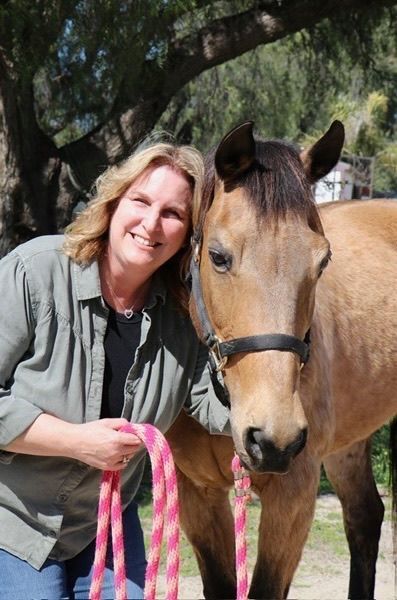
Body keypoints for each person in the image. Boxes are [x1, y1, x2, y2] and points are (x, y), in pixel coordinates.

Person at [0, 140, 230, 599]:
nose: (151, 224)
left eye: (173, 213)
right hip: (14, 521)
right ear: (113, 202)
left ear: (189, 233)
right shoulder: (34, 272)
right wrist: (78, 443)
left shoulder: (183, 320)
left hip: (106, 524)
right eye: (140, 201)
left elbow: (217, 407)